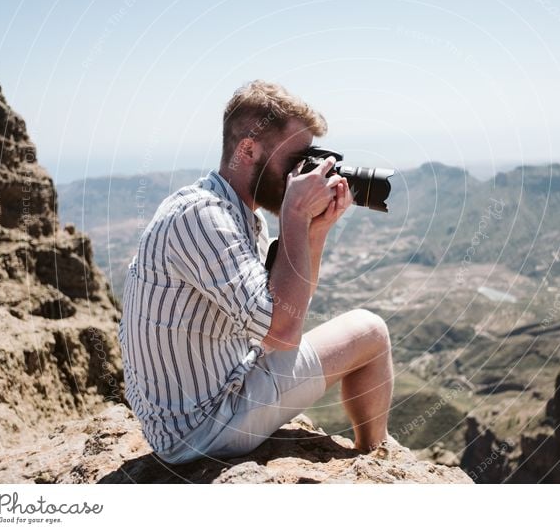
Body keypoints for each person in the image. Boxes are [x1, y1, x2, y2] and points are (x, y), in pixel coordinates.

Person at [118, 79, 395, 463]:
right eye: (294, 161)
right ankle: (374, 453)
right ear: (248, 150)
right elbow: (282, 331)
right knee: (370, 331)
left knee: (354, 332)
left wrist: (315, 232)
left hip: (208, 406)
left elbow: (288, 306)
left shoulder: (236, 217)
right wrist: (295, 216)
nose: (299, 175)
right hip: (204, 428)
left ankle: (372, 450)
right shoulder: (202, 218)